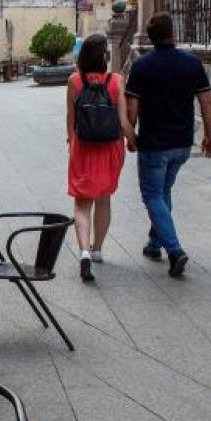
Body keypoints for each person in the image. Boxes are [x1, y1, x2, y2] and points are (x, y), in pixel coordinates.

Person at [123, 14, 211, 278]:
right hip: (182, 144)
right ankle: (154, 243)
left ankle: (174, 250)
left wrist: (131, 134)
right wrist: (210, 134)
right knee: (163, 192)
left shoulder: (141, 65)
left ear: (150, 37)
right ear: (172, 33)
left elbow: (132, 108)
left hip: (154, 143)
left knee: (153, 195)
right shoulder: (191, 62)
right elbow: (206, 102)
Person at [66, 34, 127, 282]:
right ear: (104, 56)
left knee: (82, 204)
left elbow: (70, 120)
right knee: (103, 200)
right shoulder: (116, 81)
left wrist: (72, 144)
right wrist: (132, 140)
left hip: (83, 147)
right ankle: (97, 249)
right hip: (110, 149)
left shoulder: (74, 81)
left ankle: (83, 251)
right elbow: (123, 122)